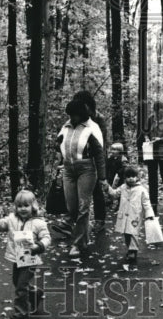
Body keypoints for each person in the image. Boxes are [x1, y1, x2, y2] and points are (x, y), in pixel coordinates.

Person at [0, 190, 51, 319]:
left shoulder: (38, 223)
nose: (22, 209)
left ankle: (20, 313)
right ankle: (34, 293)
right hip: (17, 258)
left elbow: (46, 238)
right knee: (17, 282)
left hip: (30, 260)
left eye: (26, 205)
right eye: (19, 206)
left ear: (33, 206)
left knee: (20, 287)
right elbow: (1, 224)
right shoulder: (11, 219)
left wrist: (39, 246)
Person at [56, 98, 107, 257]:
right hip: (68, 169)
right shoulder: (66, 126)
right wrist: (58, 166)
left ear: (82, 114)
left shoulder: (92, 127)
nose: (72, 118)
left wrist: (103, 177)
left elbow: (99, 153)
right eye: (70, 115)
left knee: (83, 207)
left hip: (86, 169)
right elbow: (58, 145)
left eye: (75, 115)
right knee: (72, 207)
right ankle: (85, 229)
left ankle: (78, 244)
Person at [73, 89, 110, 232]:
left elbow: (101, 141)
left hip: (95, 158)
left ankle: (100, 219)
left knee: (96, 190)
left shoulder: (98, 118)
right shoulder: (77, 118)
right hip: (79, 158)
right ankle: (78, 221)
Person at [107, 164, 156, 266]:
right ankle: (130, 248)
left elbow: (146, 202)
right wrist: (107, 187)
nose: (130, 179)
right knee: (126, 233)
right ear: (125, 178)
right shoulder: (123, 187)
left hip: (135, 215)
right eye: (128, 177)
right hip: (124, 214)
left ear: (137, 177)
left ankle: (133, 250)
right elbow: (115, 194)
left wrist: (149, 214)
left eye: (133, 177)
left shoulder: (141, 189)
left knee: (133, 232)